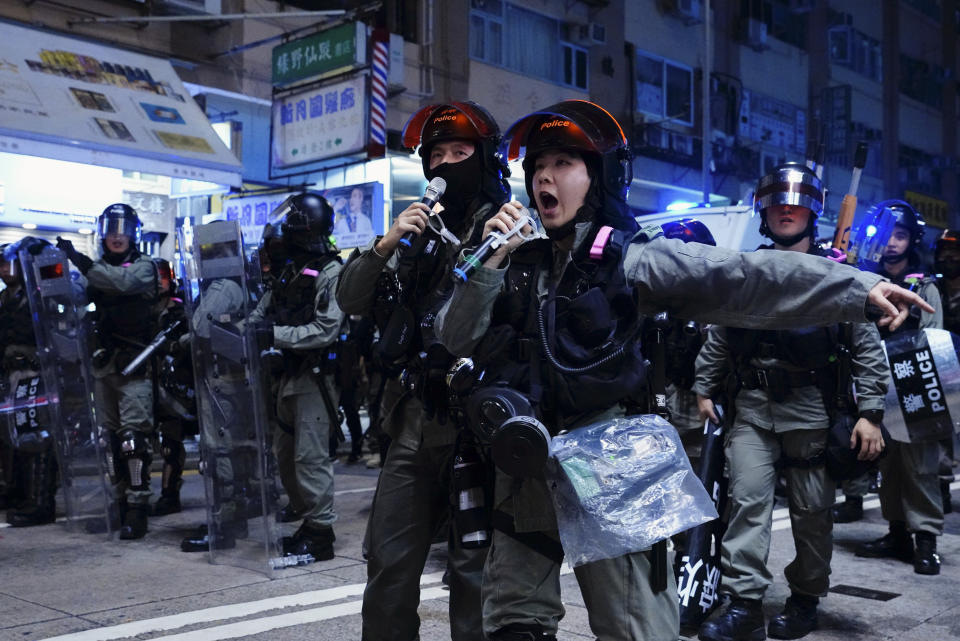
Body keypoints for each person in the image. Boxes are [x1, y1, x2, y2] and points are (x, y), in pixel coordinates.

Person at [434, 100, 929, 641]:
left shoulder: (633, 259)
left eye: (563, 164)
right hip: (526, 462)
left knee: (636, 628)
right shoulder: (512, 260)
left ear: (599, 177)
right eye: (537, 167)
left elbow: (743, 276)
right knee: (513, 624)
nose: (544, 177)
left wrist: (856, 288)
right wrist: (487, 264)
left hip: (611, 464)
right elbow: (454, 336)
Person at [692, 163, 889, 641]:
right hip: (753, 408)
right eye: (777, 201)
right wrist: (703, 387)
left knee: (811, 513)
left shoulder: (838, 275)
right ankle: (744, 604)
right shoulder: (745, 272)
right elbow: (720, 333)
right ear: (763, 210)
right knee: (747, 504)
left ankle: (805, 599)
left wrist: (870, 414)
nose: (786, 209)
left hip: (812, 409)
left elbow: (866, 345)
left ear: (812, 211)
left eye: (796, 202)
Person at [336, 100, 510, 641]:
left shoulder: (507, 226)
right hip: (411, 419)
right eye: (436, 154)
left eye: (460, 152)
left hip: (476, 427)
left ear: (484, 160)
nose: (445, 165)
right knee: (388, 560)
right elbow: (349, 299)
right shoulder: (415, 234)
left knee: (472, 573)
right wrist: (387, 243)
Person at [249, 192, 344, 561]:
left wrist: (272, 336)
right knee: (285, 455)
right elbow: (262, 312)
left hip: (314, 378)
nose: (284, 229)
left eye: (293, 222)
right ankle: (308, 521)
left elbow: (326, 329)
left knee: (310, 457)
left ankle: (321, 533)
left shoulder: (331, 271)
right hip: (285, 375)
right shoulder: (290, 269)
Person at [58, 204, 160, 540]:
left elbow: (121, 283)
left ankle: (137, 507)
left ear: (133, 233)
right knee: (110, 440)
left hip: (135, 365)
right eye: (111, 229)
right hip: (104, 365)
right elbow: (77, 296)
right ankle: (117, 503)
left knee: (133, 440)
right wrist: (51, 272)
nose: (116, 236)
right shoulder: (95, 270)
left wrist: (81, 262)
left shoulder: (145, 266)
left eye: (123, 229)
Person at [854, 200, 945, 575]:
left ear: (913, 240)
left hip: (917, 382)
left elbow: (934, 339)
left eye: (901, 235)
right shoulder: (864, 279)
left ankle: (926, 538)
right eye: (887, 234)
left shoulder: (924, 286)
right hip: (877, 384)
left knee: (920, 465)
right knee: (887, 464)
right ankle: (896, 533)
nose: (892, 242)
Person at [0, 237, 59, 527]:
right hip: (12, 378)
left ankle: (40, 502)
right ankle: (18, 492)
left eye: (7, 263)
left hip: (36, 376)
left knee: (37, 438)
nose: (3, 270)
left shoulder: (41, 293)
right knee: (14, 439)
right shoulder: (7, 297)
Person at [933, 229, 959, 515]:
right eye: (944, 253)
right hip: (944, 372)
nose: (949, 258)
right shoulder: (932, 289)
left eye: (956, 253)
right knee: (939, 432)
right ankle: (941, 487)